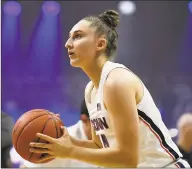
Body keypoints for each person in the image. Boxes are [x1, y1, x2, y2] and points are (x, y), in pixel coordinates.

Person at [29, 9, 190, 168]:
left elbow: (128, 158)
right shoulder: (91, 90)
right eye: (70, 37)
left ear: (100, 43)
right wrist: (70, 143)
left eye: (77, 36)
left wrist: (70, 151)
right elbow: (101, 147)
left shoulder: (116, 82)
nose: (67, 43)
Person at [18, 100, 98, 167]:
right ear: (85, 119)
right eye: (102, 121)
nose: (108, 127)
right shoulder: (57, 141)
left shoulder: (108, 141)